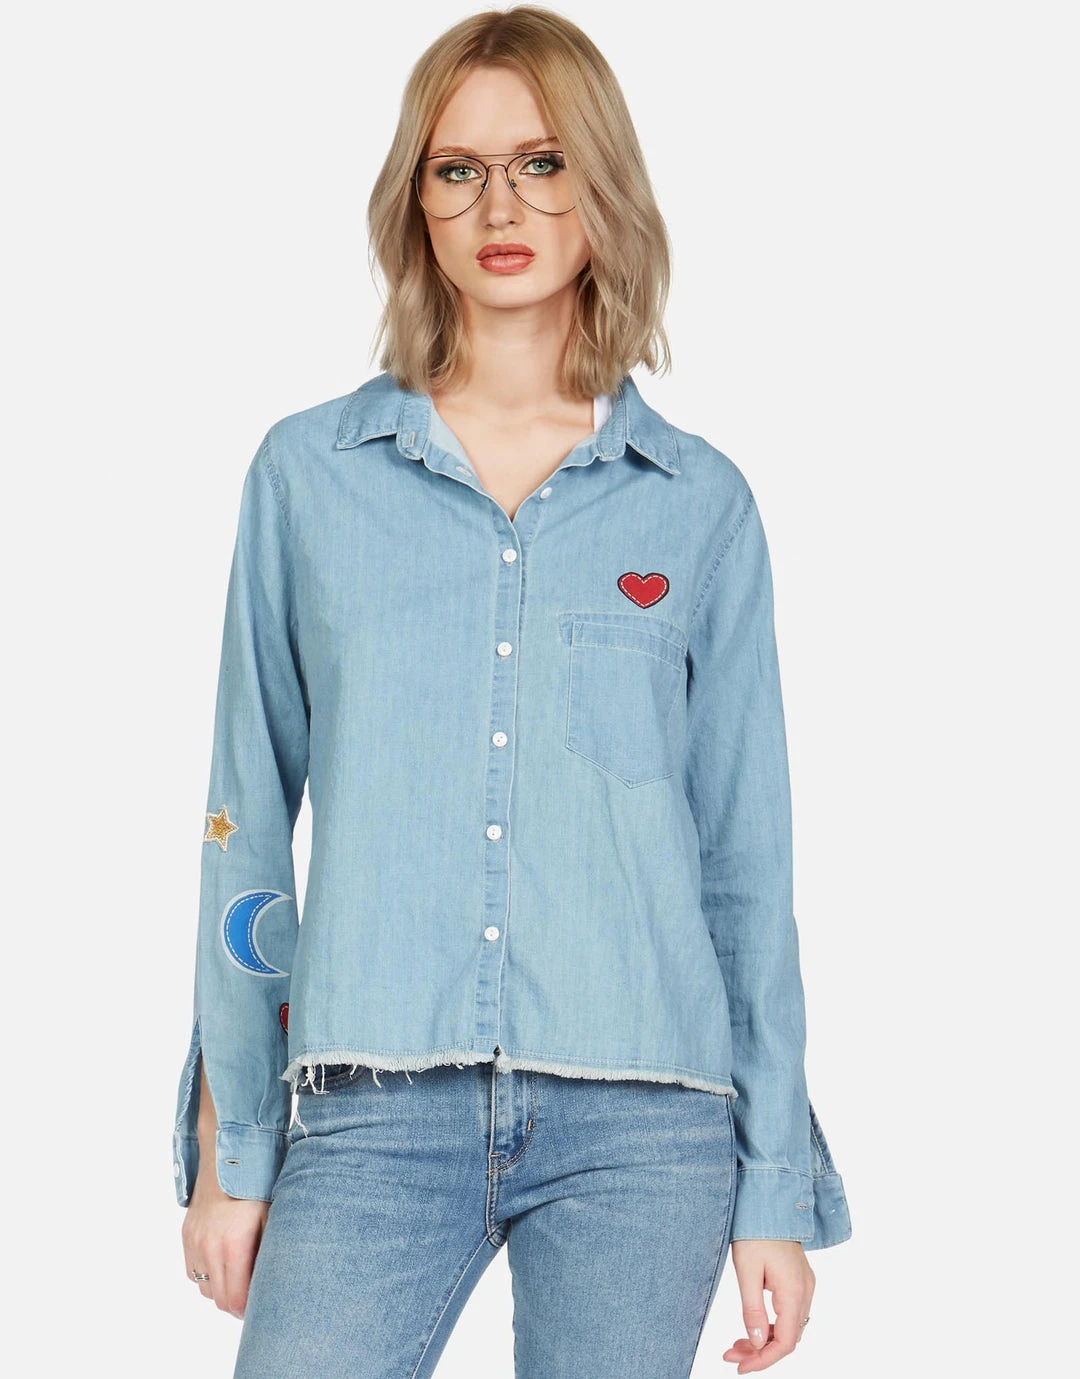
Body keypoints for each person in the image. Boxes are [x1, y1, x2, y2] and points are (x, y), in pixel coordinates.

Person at [173, 7, 852, 1376]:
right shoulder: (307, 479)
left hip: (644, 1118)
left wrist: (773, 1183)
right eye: (459, 169)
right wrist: (231, 1140)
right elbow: (245, 819)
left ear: (601, 189)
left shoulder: (697, 506)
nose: (502, 206)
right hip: (371, 1105)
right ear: (414, 200)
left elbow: (745, 864)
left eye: (543, 164)